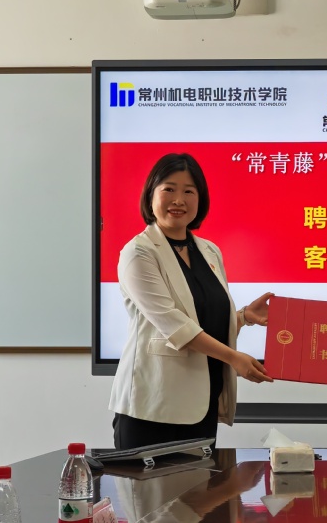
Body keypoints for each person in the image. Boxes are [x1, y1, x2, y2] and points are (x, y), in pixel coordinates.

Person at [109, 153, 273, 449]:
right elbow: (176, 326)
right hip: (153, 406)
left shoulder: (209, 251)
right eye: (169, 189)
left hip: (201, 405)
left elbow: (204, 321)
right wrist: (234, 358)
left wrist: (244, 316)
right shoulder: (138, 252)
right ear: (151, 195)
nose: (179, 200)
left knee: (203, 481)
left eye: (189, 191)